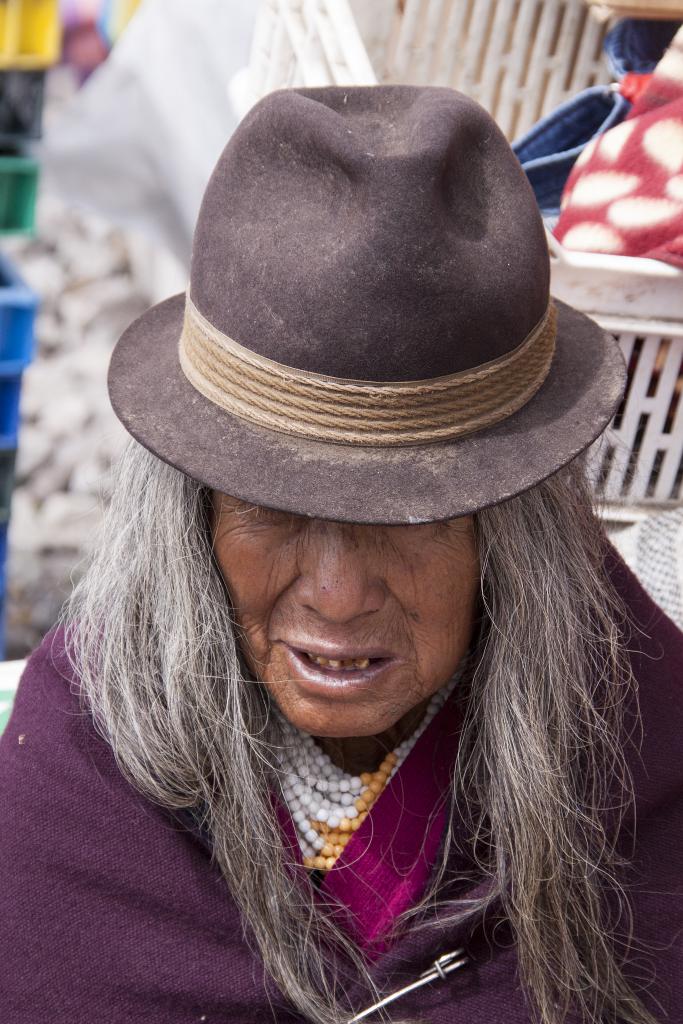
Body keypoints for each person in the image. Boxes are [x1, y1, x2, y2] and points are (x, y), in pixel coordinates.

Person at [0, 85, 680, 1024]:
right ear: (189, 512)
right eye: (270, 508)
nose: (335, 594)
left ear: (509, 533)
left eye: (407, 518)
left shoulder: (640, 739)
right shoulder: (86, 752)